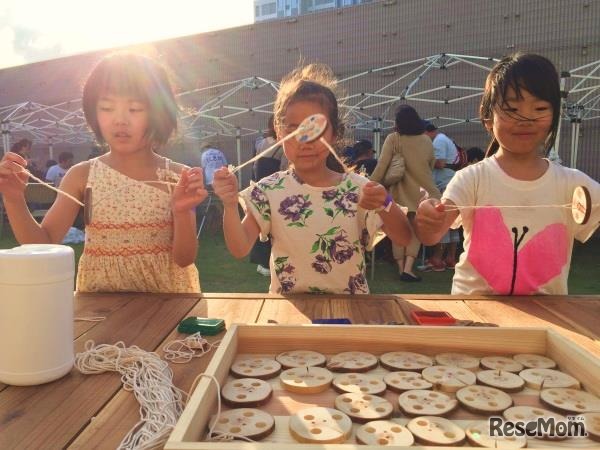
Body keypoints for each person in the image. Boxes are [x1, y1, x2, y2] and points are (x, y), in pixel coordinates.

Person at [0, 52, 206, 293]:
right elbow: (43, 243)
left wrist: (182, 212)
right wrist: (13, 199)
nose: (120, 120)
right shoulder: (81, 175)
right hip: (99, 305)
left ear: (159, 114)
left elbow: (184, 258)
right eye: (107, 108)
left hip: (167, 301)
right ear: (93, 114)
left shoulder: (177, 177)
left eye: (135, 108)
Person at [212, 64, 411, 294]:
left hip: (350, 308)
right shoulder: (269, 190)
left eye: (315, 128)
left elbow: (404, 237)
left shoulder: (358, 189)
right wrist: (229, 205)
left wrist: (385, 202)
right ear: (279, 132)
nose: (304, 142)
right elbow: (239, 248)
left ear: (334, 133)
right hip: (291, 311)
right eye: (293, 130)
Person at [415, 53, 600, 295]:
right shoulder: (472, 178)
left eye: (540, 108)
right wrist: (429, 219)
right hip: (474, 309)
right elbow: (431, 236)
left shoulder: (573, 183)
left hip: (546, 312)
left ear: (554, 116)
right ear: (487, 118)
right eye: (512, 109)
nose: (526, 119)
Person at [371, 105, 441, 282]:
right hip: (422, 192)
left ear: (398, 122)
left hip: (399, 191)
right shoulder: (426, 140)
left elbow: (382, 166)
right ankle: (409, 269)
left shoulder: (393, 139)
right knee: (415, 231)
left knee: (399, 229)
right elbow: (431, 164)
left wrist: (369, 184)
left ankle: (401, 268)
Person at [250, 114, 286, 276]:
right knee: (274, 227)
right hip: (275, 188)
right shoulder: (283, 145)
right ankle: (269, 263)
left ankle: (261, 263)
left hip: (259, 186)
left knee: (261, 225)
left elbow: (254, 165)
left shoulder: (261, 142)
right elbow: (284, 169)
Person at [424, 121, 460, 270]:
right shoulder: (444, 139)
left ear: (428, 132)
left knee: (442, 219)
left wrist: (423, 160)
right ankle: (450, 258)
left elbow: (440, 163)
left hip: (443, 182)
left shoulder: (438, 141)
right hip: (449, 179)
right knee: (453, 222)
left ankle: (437, 259)